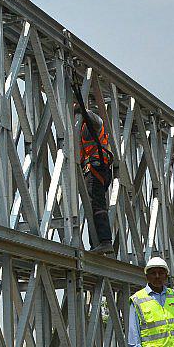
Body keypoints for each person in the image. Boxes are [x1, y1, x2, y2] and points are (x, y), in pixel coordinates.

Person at [72, 77, 115, 253]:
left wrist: (80, 108)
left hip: (97, 169)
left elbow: (96, 120)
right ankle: (96, 243)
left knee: (97, 206)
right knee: (92, 206)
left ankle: (104, 241)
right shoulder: (80, 130)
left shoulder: (92, 124)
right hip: (95, 170)